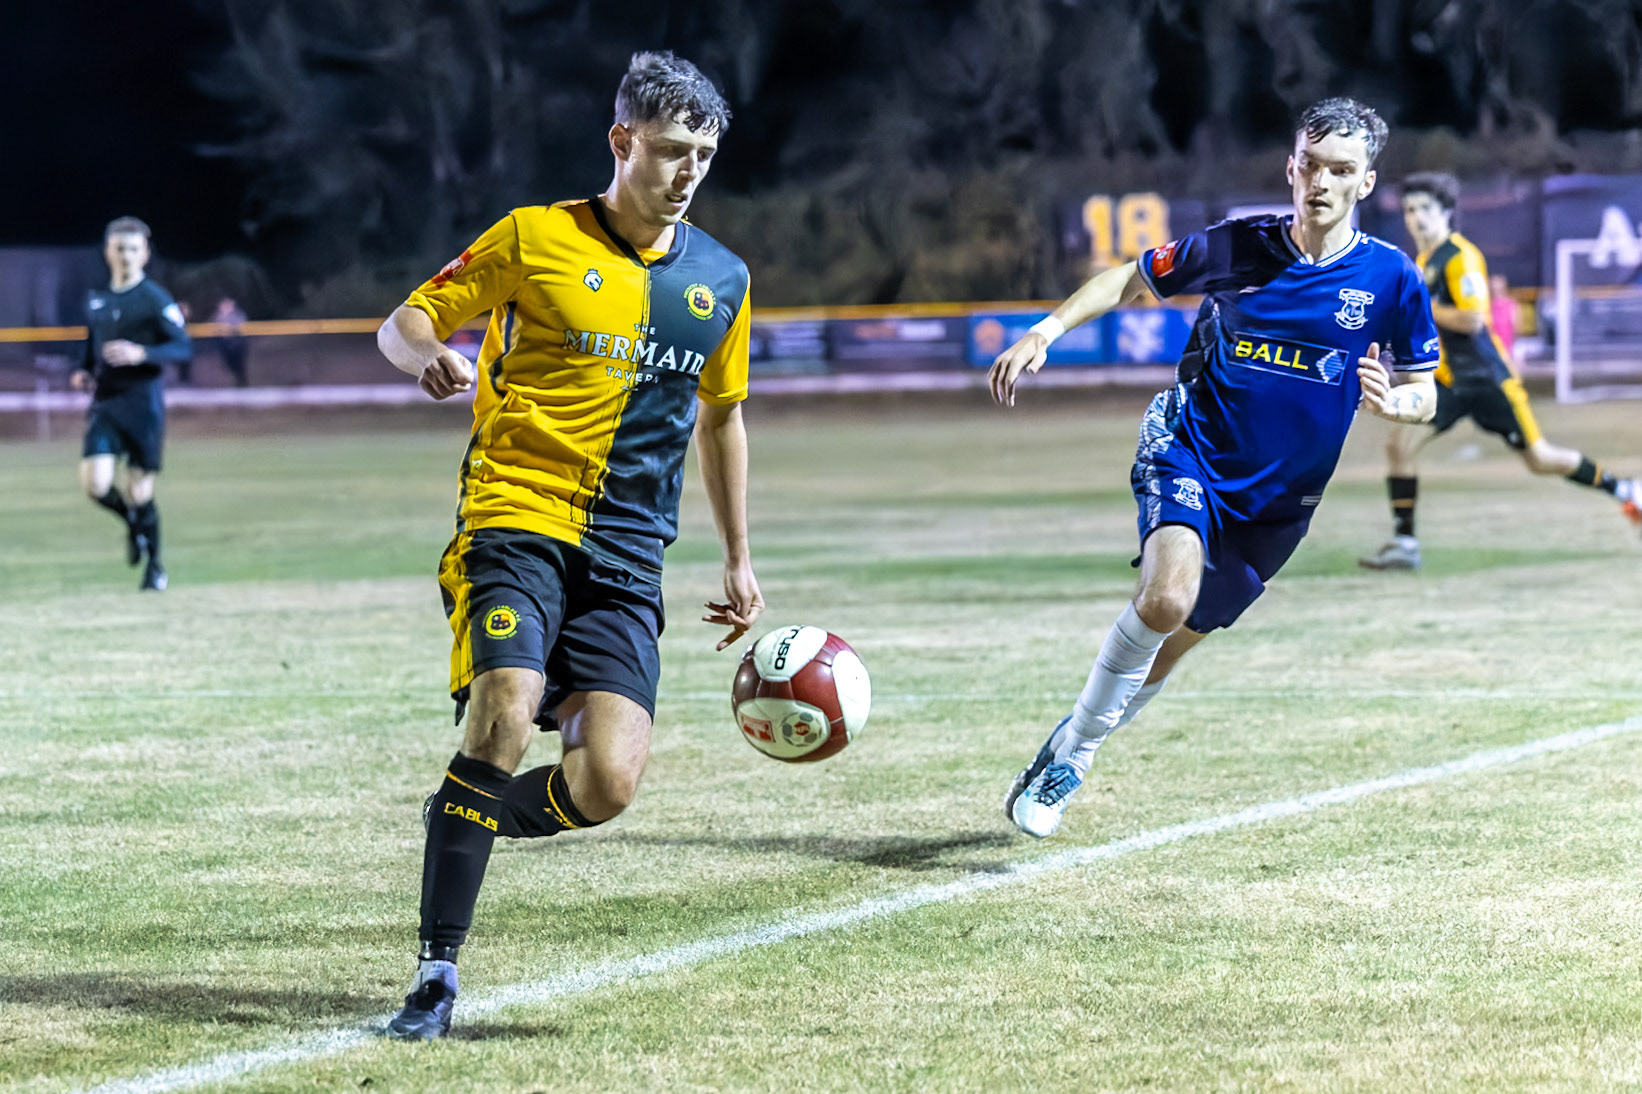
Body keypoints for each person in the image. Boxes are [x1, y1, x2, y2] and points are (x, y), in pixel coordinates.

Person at [374, 51, 763, 1040]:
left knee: (607, 782)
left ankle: (464, 812)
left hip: (630, 553)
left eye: (704, 155)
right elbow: (404, 320)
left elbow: (722, 420)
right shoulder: (534, 239)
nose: (687, 172)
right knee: (504, 710)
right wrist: (428, 354)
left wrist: (737, 558)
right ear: (621, 141)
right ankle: (435, 973)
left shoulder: (723, 278)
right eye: (672, 151)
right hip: (517, 517)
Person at [989, 98, 1440, 839]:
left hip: (1281, 503)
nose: (1321, 182)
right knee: (1166, 597)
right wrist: (1046, 330)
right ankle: (1078, 758)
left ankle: (1063, 746)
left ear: (1367, 181)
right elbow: (1130, 277)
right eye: (1311, 165)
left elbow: (1426, 384)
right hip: (1190, 447)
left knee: (1175, 641)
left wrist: (1402, 406)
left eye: (1341, 170)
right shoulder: (1241, 247)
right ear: (1291, 167)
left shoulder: (1391, 279)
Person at [1360, 173, 1640, 570]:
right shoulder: (1424, 262)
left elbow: (1473, 319)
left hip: (1487, 379)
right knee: (1399, 443)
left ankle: (1625, 489)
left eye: (1425, 208)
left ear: (1446, 213)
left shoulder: (1460, 256)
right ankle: (1405, 543)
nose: (1416, 217)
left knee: (1540, 459)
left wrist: (1417, 306)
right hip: (1449, 382)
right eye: (1409, 209)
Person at [70, 216, 191, 591]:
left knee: (140, 492)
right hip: (106, 404)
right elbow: (92, 347)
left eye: (133, 248)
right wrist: (82, 371)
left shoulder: (155, 298)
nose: (126, 255)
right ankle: (134, 526)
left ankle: (155, 567)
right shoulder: (96, 298)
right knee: (95, 483)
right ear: (107, 251)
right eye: (119, 247)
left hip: (143, 406)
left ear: (145, 253)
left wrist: (143, 353)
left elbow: (183, 347)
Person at [211, 297, 251, 387]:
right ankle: (238, 380)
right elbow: (213, 327)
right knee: (230, 364)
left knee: (240, 364)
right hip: (225, 346)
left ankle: (242, 381)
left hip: (238, 344)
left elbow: (242, 325)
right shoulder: (218, 316)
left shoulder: (238, 315)